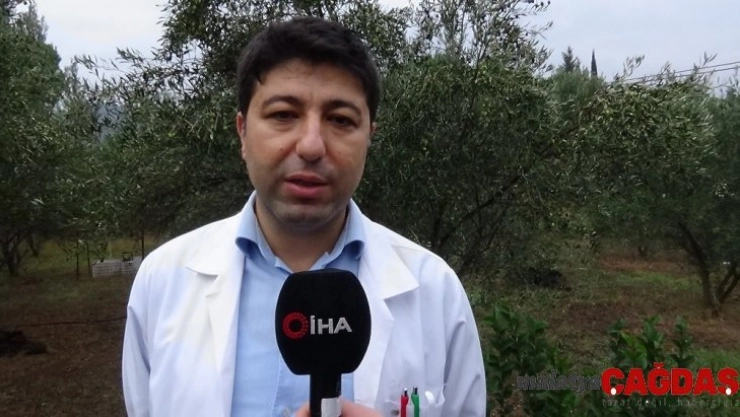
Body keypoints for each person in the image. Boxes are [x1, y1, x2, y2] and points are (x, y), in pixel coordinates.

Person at [121, 15, 486, 417]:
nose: (311, 146)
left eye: (341, 120)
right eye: (283, 114)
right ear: (242, 132)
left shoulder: (435, 290)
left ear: (369, 136)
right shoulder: (162, 283)